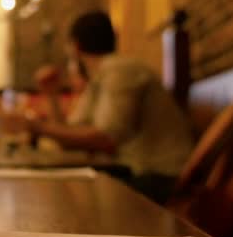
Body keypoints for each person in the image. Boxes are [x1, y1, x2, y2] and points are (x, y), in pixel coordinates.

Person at [29, 11, 194, 201]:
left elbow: (105, 139)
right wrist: (51, 94)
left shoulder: (121, 71)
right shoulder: (100, 77)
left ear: (75, 47)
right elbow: (70, 135)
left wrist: (36, 127)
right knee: (64, 192)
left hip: (161, 177)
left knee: (71, 198)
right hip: (135, 171)